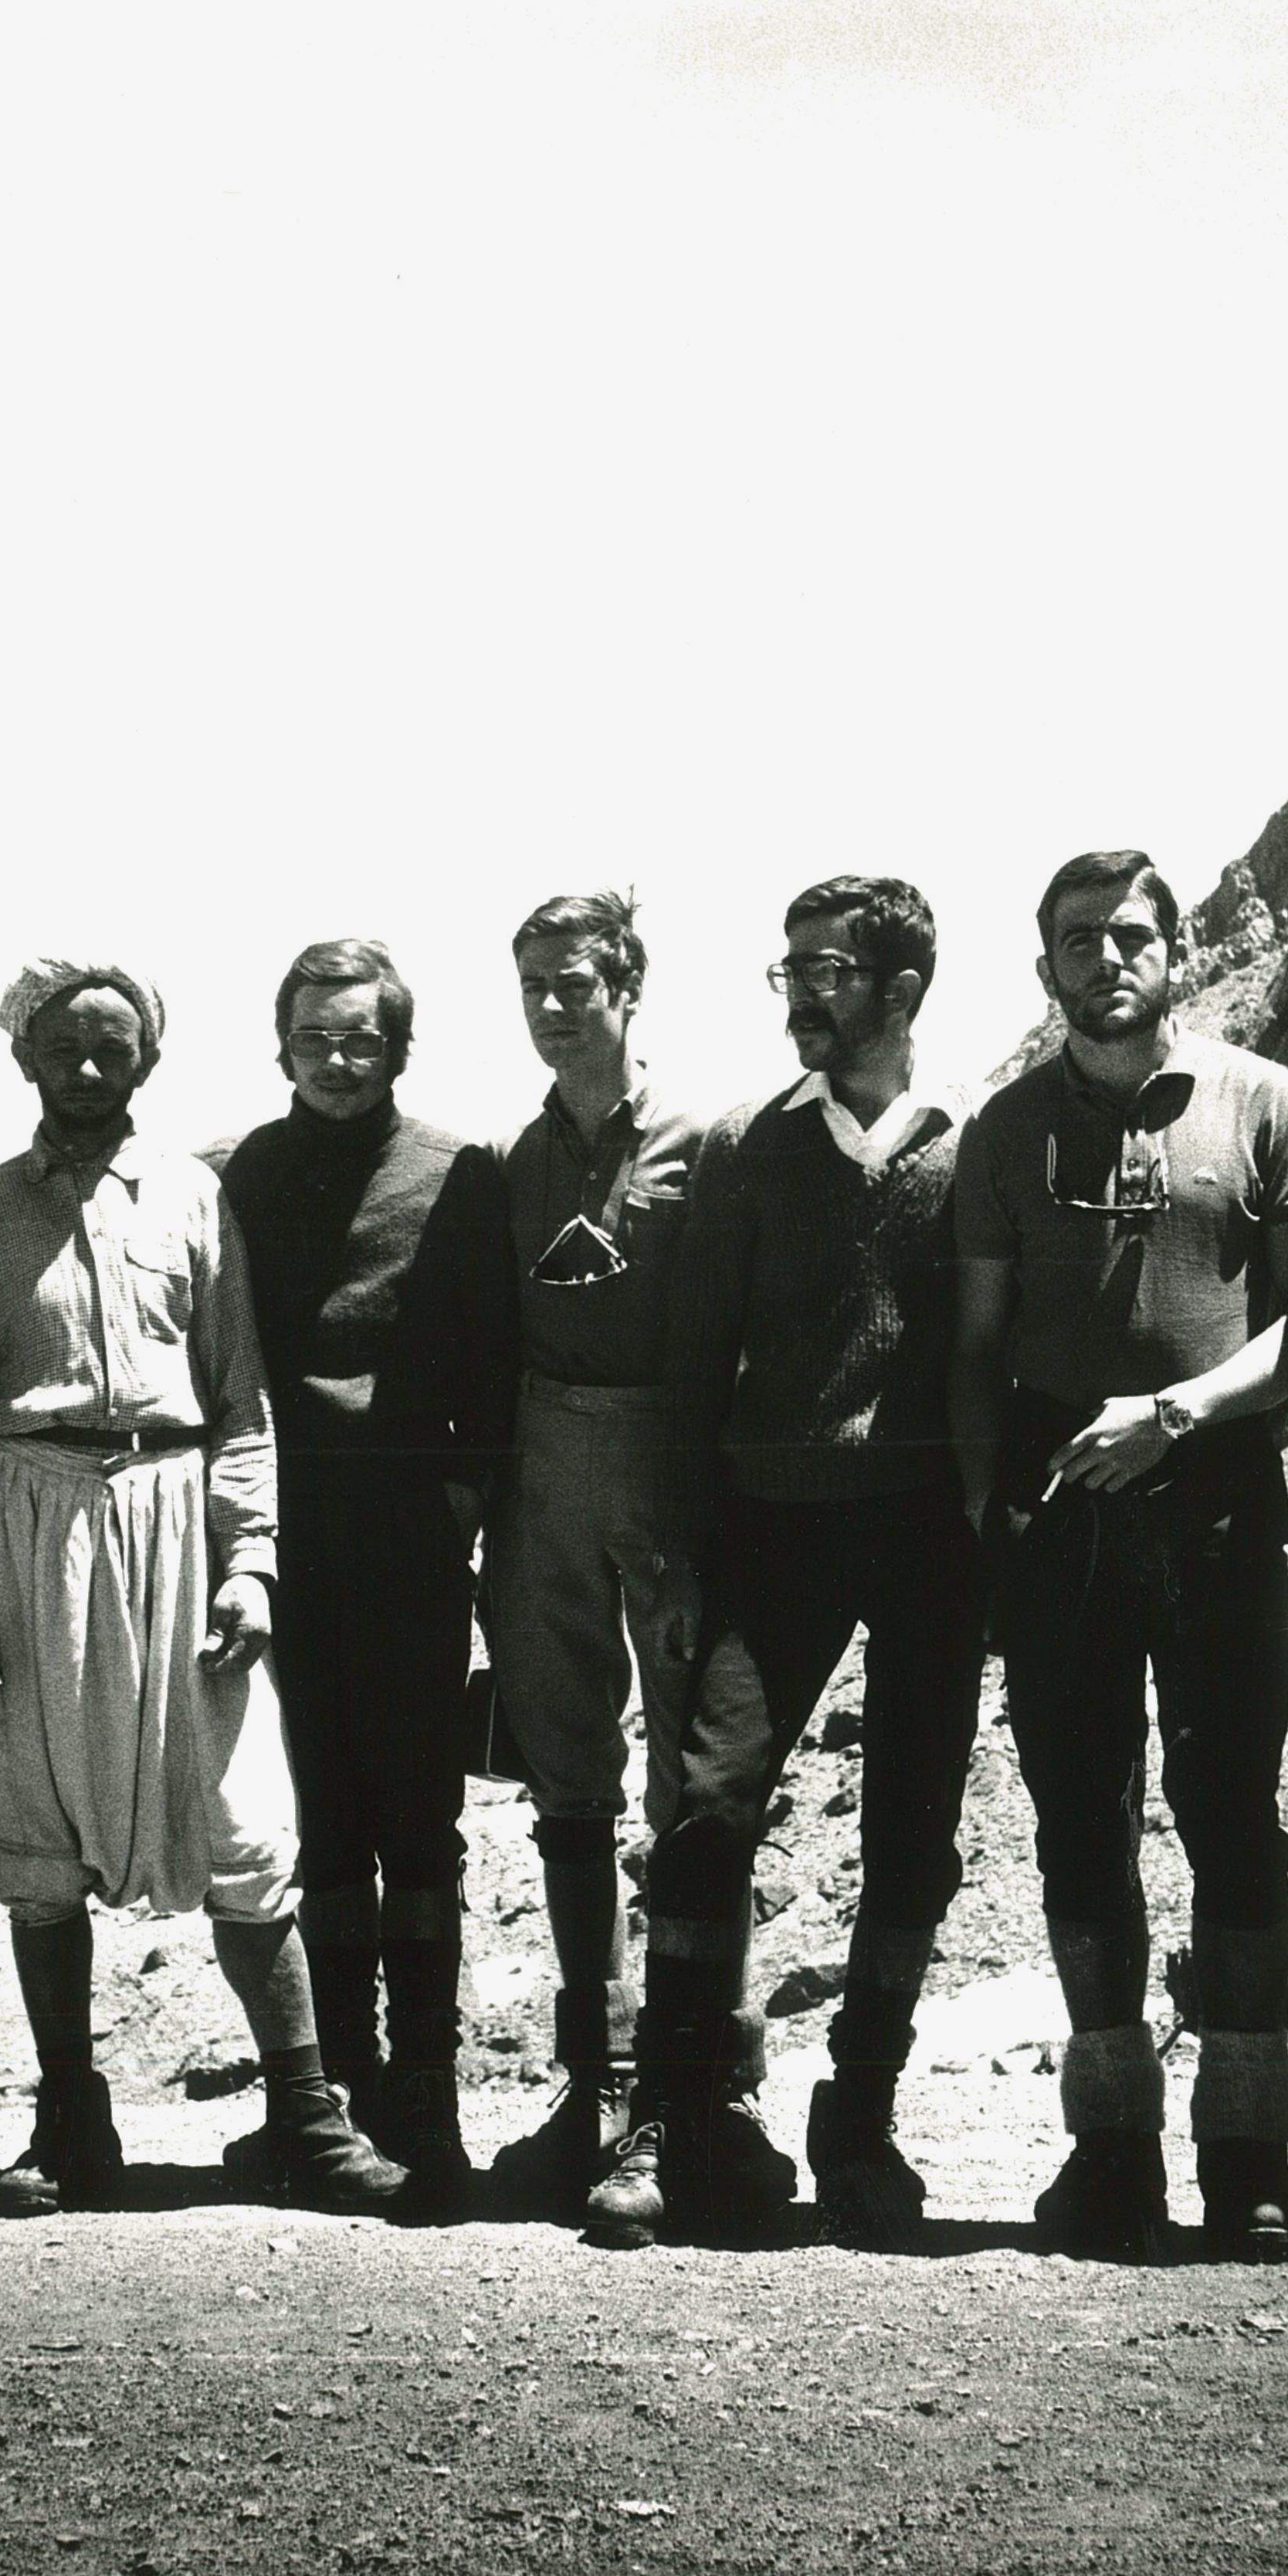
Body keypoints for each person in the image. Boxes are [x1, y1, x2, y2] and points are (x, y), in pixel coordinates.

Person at [0, 958, 408, 2218]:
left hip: (179, 1520)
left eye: (112, 1051)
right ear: (25, 1058)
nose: (88, 1071)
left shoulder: (195, 1197)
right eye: (65, 1049)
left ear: (146, 1064)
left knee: (244, 1819)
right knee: (39, 1830)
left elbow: (241, 1401)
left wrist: (250, 1564)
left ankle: (305, 2110)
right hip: (30, 1526)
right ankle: (71, 2118)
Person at [588, 876, 986, 2251]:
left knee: (914, 1830)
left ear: (902, 987)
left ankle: (859, 2114)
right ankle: (672, 2116)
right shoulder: (757, 1152)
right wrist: (685, 1548)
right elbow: (694, 1365)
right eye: (790, 972)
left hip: (929, 1533)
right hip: (773, 1524)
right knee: (707, 1809)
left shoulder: (968, 1149)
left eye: (826, 970)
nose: (803, 994)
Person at [950, 850, 1288, 2264]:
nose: (1106, 958)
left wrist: (1179, 1413)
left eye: (1130, 934)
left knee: (1234, 1805)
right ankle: (1110, 2143)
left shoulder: (1259, 1101)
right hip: (1060, 1507)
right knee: (1076, 1819)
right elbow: (979, 1350)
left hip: (1218, 1489)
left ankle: (1250, 2150)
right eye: (1076, 940)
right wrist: (998, 1514)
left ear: (1177, 950)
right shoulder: (1004, 1133)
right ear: (1047, 967)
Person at [206, 941, 513, 2195]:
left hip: (409, 1533)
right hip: (287, 1537)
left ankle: (427, 2096)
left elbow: (496, 1352)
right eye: (315, 1037)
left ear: (398, 1045)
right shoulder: (242, 1175)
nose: (338, 1058)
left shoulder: (458, 1173)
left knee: (418, 1816)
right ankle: (334, 2095)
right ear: (281, 1044)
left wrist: (457, 1501)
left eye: (361, 1038)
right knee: (319, 1817)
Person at [476, 892, 706, 2218]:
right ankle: (595, 2082)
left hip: (665, 1467)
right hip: (545, 1469)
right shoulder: (517, 1161)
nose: (555, 1008)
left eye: (576, 984)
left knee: (691, 1781)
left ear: (627, 984)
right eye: (534, 989)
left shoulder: (699, 1143)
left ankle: (694, 2092)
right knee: (569, 1778)